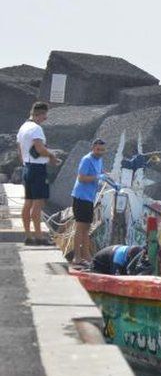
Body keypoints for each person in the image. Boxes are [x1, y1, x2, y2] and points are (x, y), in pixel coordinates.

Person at [16, 101, 61, 245]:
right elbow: (40, 149)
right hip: (37, 169)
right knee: (38, 203)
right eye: (45, 115)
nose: (45, 119)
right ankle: (39, 237)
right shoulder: (36, 129)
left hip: (27, 167)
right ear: (39, 114)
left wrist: (24, 163)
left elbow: (19, 150)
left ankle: (28, 235)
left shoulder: (23, 127)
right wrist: (52, 156)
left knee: (28, 202)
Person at [69, 138, 109, 265]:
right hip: (81, 197)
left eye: (102, 150)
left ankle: (86, 256)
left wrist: (107, 176)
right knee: (80, 227)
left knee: (87, 228)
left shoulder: (100, 160)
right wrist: (97, 177)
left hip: (90, 198)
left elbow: (101, 172)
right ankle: (77, 257)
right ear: (93, 148)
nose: (100, 152)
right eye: (98, 149)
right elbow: (81, 178)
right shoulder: (86, 159)